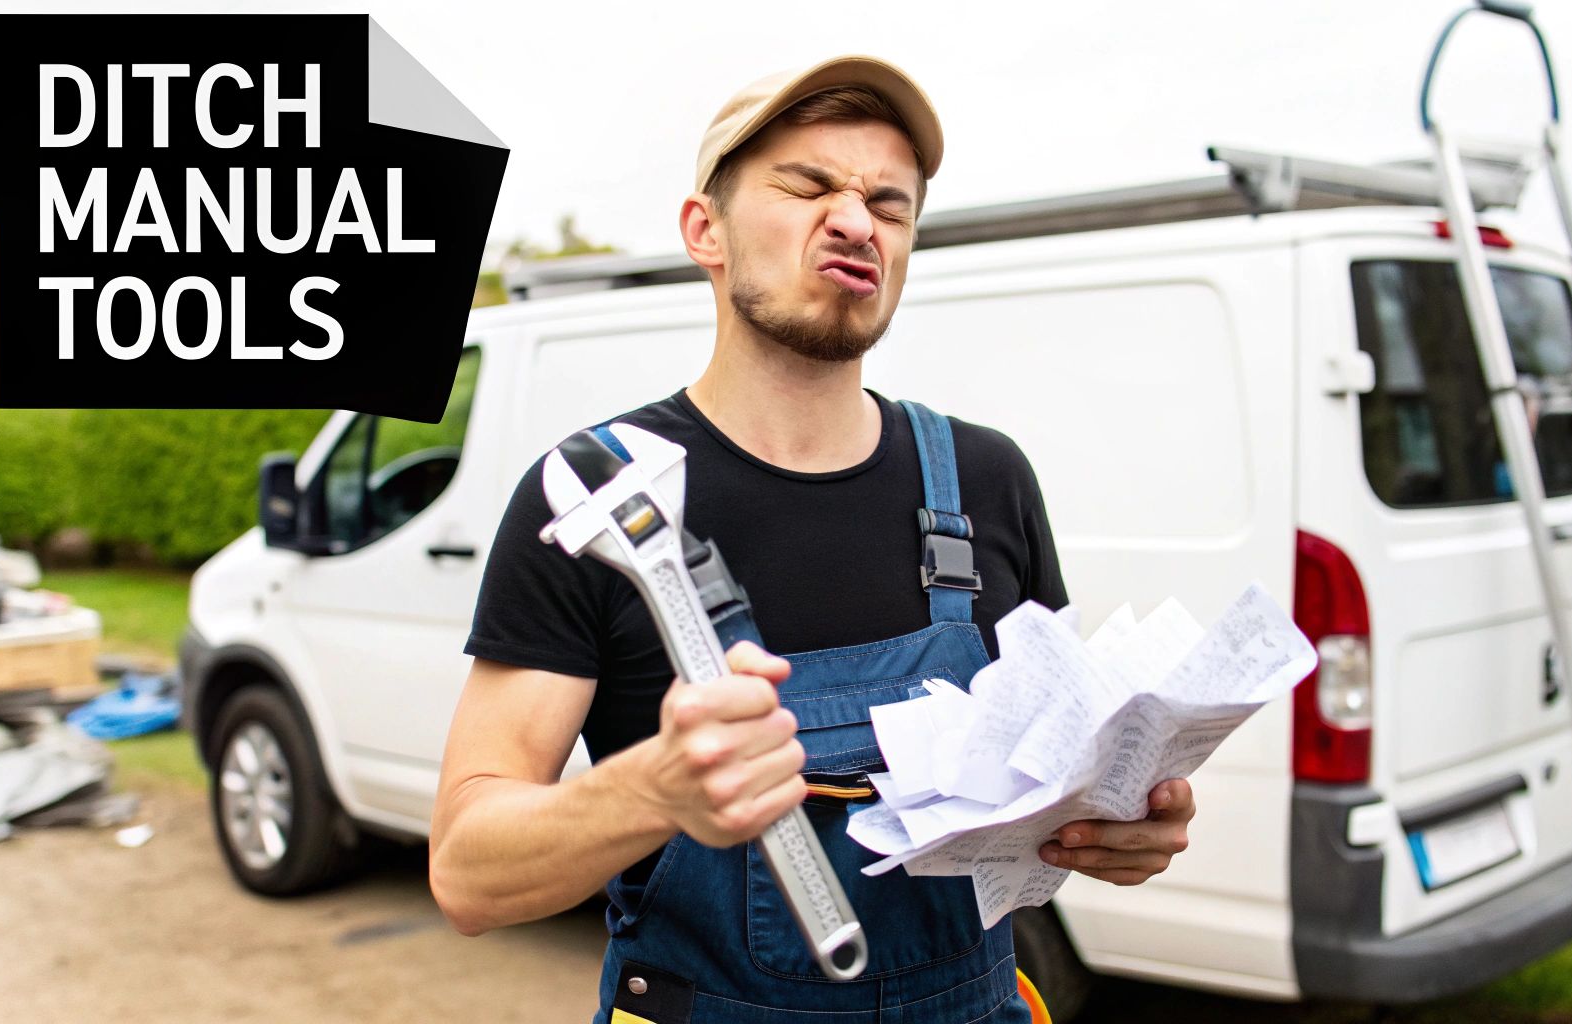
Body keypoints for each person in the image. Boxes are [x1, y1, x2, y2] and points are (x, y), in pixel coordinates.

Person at [428, 55, 1196, 1024]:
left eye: (889, 203)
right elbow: (467, 873)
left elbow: (1050, 775)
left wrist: (1115, 823)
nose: (855, 221)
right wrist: (651, 790)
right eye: (808, 185)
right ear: (704, 230)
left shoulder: (986, 482)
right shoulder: (592, 494)